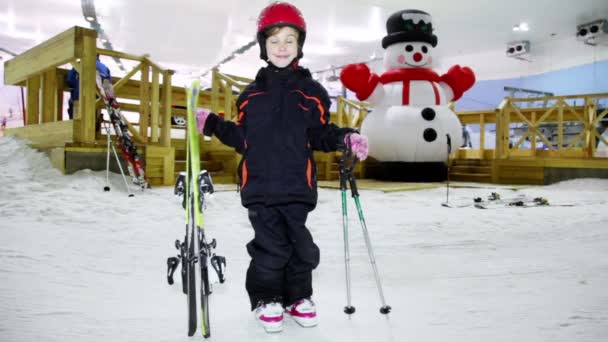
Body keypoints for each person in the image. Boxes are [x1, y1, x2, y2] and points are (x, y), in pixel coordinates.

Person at [195, 2, 368, 333]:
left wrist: (346, 138)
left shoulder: (313, 94)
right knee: (270, 247)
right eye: (274, 40)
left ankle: (297, 297)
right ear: (263, 46)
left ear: (300, 45)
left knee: (301, 247)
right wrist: (213, 124)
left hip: (297, 186)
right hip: (259, 186)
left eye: (289, 39)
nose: (282, 47)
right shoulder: (249, 96)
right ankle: (266, 298)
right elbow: (241, 136)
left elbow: (319, 134)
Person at [66, 55, 111, 119]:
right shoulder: (104, 67)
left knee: (75, 118)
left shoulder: (77, 65)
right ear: (98, 56)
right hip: (96, 99)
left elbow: (70, 80)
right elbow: (108, 84)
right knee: (92, 119)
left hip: (78, 97)